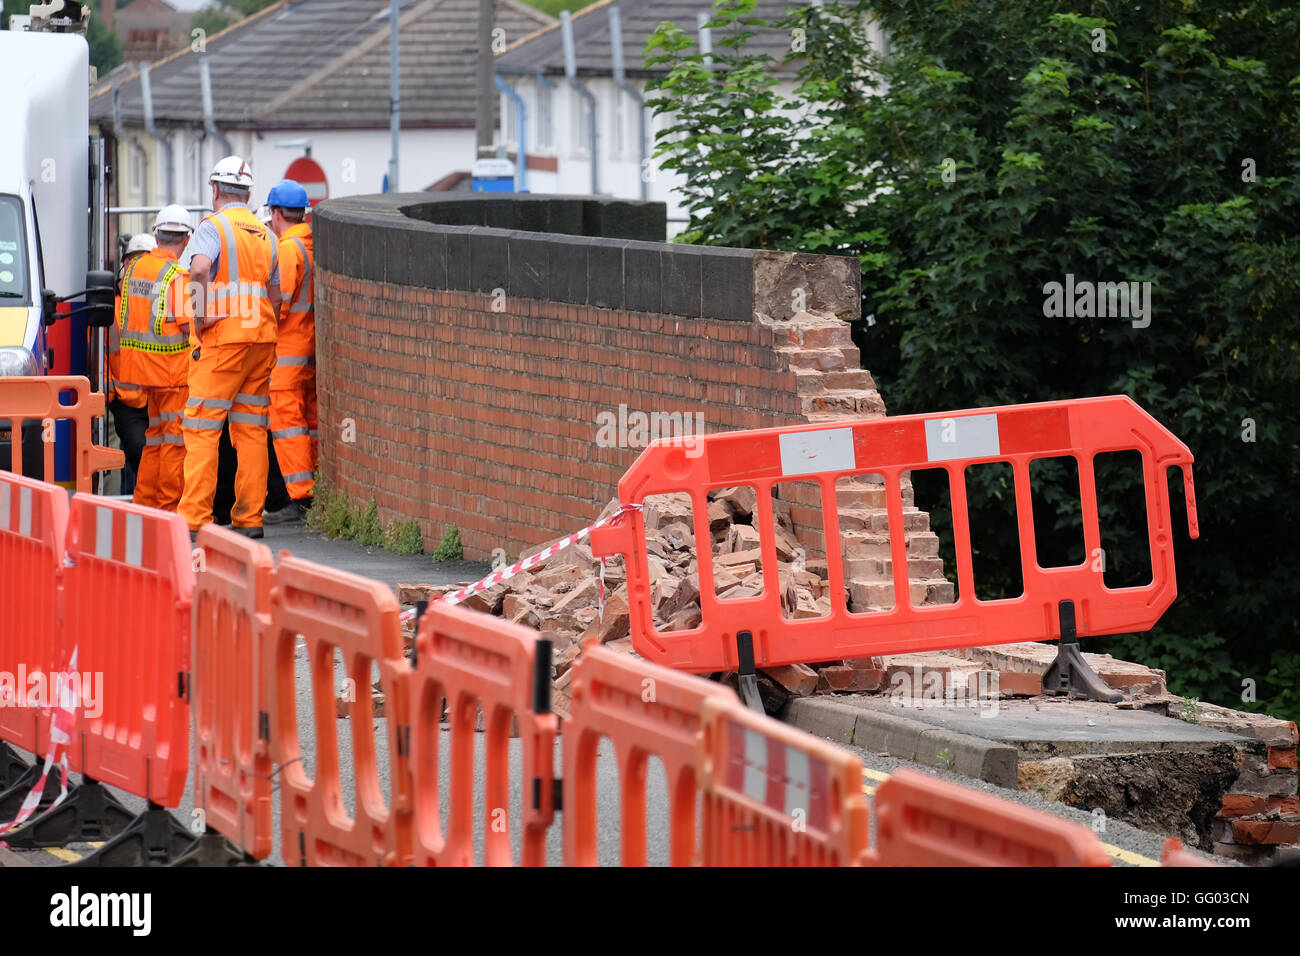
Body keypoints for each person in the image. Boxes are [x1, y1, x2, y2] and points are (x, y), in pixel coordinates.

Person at [178, 156, 281, 539]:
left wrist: (200, 316)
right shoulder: (267, 235)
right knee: (252, 429)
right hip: (261, 340)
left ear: (215, 190)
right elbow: (276, 295)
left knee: (203, 426)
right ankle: (249, 518)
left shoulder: (213, 226)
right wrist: (266, 326)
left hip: (223, 342)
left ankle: (195, 518)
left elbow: (199, 269)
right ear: (249, 193)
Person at [119, 205, 193, 511]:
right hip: (172, 374)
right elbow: (189, 326)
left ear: (157, 236)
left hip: (142, 371)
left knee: (154, 438)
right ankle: (168, 508)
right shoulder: (178, 276)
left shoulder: (134, 269)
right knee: (174, 441)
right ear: (186, 240)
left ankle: (146, 504)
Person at [262, 179, 316, 524]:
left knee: (288, 424)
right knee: (310, 423)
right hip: (309, 349)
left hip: (286, 354)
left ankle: (300, 497)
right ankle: (315, 491)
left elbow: (278, 305)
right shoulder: (312, 244)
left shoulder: (287, 250)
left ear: (276, 213)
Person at [108, 233, 155, 496]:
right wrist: (109, 392)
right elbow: (103, 351)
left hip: (159, 396)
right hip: (126, 400)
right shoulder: (112, 307)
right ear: (125, 264)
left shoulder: (162, 300)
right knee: (140, 454)